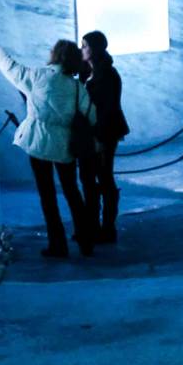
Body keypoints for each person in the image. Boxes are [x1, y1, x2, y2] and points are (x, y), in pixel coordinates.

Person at [0, 34, 96, 257]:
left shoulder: (37, 76)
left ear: (55, 55)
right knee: (72, 191)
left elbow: (11, 68)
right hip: (65, 145)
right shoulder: (76, 88)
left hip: (39, 142)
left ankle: (58, 245)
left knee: (47, 195)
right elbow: (91, 115)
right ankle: (85, 240)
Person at [78, 30, 130, 243]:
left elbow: (108, 108)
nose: (82, 49)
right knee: (87, 178)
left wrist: (98, 136)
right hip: (88, 133)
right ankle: (92, 226)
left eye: (85, 45)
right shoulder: (85, 72)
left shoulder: (109, 74)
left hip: (105, 132)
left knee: (104, 177)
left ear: (95, 48)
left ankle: (108, 228)